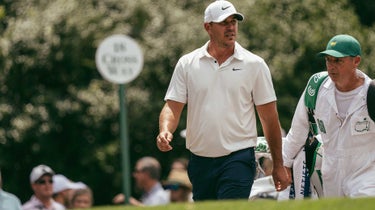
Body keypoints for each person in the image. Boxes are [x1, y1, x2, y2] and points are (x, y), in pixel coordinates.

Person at [156, 0, 290, 201]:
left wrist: (278, 165)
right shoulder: (187, 64)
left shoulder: (255, 64)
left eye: (233, 22)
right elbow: (172, 106)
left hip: (238, 157)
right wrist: (165, 130)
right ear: (208, 27)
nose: (231, 27)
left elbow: (269, 118)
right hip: (200, 161)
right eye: (224, 22)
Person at [283, 34, 375, 197]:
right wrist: (284, 163)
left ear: (356, 61)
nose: (331, 67)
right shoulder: (316, 88)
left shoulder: (372, 93)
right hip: (330, 180)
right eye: (328, 60)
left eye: (338, 61)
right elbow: (298, 131)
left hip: (367, 179)